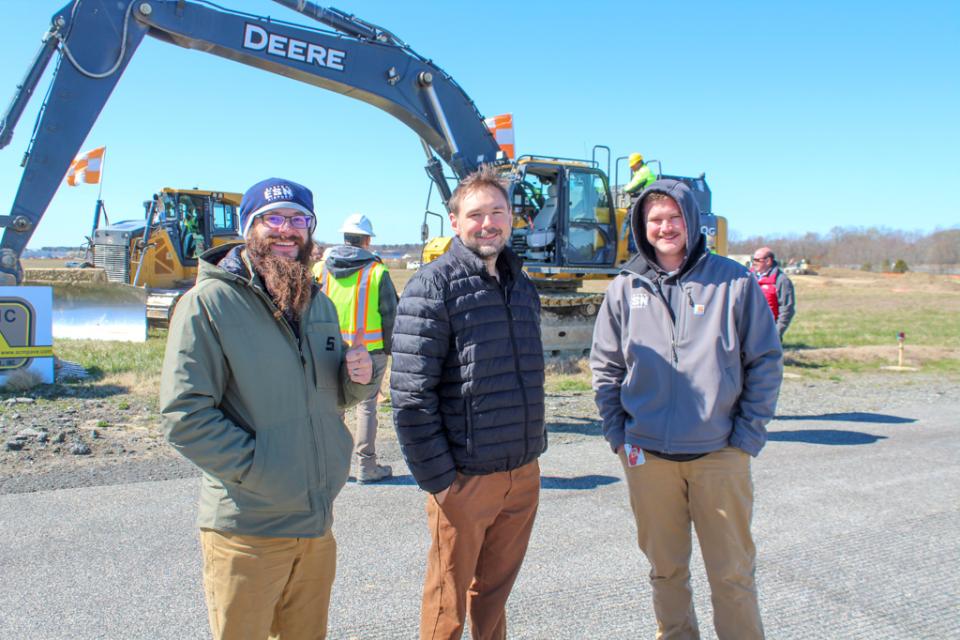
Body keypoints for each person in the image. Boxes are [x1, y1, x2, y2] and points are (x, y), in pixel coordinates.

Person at [159, 177, 382, 640]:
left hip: (316, 525)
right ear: (249, 229)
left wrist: (356, 378)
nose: (287, 230)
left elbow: (329, 398)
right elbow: (185, 415)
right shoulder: (208, 304)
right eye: (273, 219)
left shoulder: (315, 302)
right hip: (248, 529)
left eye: (299, 220)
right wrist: (265, 471)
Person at [590, 179, 783, 640]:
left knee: (732, 576)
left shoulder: (733, 281)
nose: (665, 227)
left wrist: (746, 438)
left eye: (674, 217)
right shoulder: (624, 287)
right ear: (641, 226)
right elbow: (606, 366)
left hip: (720, 455)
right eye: (655, 219)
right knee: (666, 574)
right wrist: (619, 435)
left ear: (692, 222)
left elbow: (765, 362)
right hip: (648, 458)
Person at [391, 165, 546, 640]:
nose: (488, 223)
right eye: (475, 214)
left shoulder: (521, 285)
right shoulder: (433, 285)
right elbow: (410, 395)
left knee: (495, 596)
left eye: (497, 212)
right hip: (464, 478)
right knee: (448, 604)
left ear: (512, 219)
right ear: (455, 222)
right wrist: (441, 481)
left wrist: (530, 458)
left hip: (521, 473)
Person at [315, 213, 399, 483]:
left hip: (327, 350)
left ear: (344, 237)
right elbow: (390, 315)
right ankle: (366, 465)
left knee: (332, 407)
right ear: (366, 240)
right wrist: (392, 349)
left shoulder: (321, 269)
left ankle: (331, 465)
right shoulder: (377, 272)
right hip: (370, 352)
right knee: (366, 407)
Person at [752, 247, 796, 339]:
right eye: (753, 259)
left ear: (768, 261)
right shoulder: (749, 277)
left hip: (768, 332)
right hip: (749, 330)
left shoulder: (781, 280)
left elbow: (787, 309)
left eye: (757, 260)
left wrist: (776, 333)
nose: (754, 263)